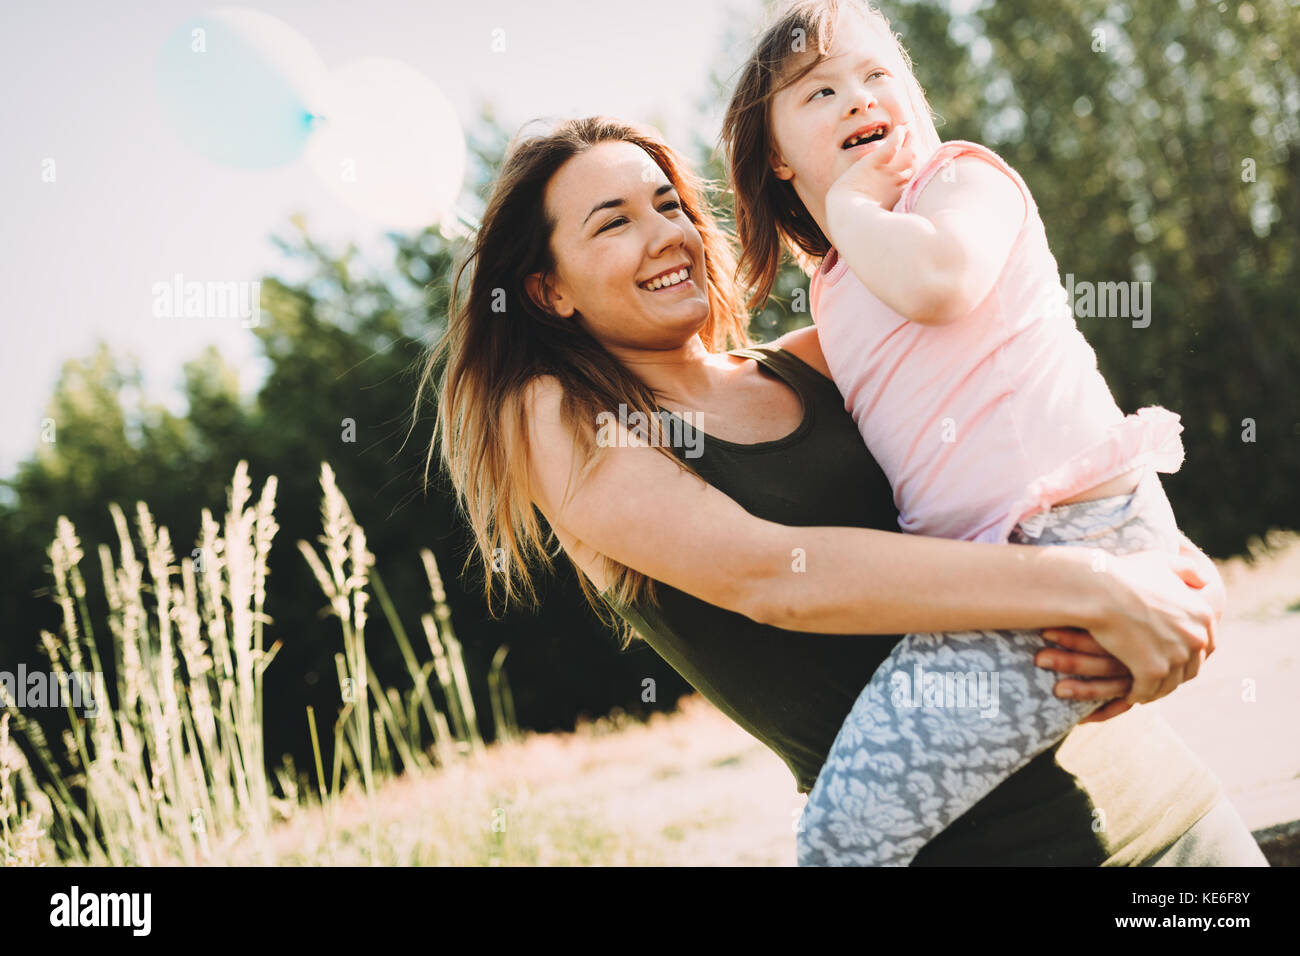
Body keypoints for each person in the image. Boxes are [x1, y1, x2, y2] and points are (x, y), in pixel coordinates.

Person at [418, 114, 1259, 865]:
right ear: (547, 290)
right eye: (615, 223)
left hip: (1176, 824)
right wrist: (1097, 585)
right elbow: (773, 576)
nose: (666, 233)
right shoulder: (552, 417)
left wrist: (1171, 571)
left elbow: (1035, 435)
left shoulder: (826, 356)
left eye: (670, 205)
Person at [717, 0, 1259, 866]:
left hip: (1077, 532)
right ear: (775, 155)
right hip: (995, 578)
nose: (858, 98)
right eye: (819, 92)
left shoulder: (962, 181)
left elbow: (941, 282)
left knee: (841, 837)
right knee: (858, 827)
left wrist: (853, 204)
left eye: (877, 74)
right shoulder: (835, 287)